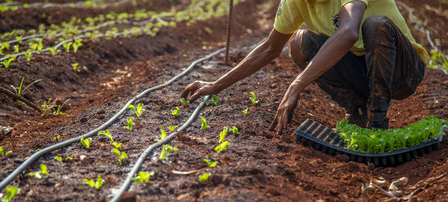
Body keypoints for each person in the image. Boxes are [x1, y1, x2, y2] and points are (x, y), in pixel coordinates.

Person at [181, 0, 428, 134]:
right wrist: (216, 85)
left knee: (375, 24)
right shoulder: (295, 2)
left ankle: (377, 122)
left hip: (402, 73)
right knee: (301, 42)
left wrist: (296, 85)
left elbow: (348, 33)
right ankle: (357, 110)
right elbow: (269, 48)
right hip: (364, 72)